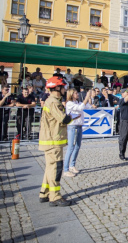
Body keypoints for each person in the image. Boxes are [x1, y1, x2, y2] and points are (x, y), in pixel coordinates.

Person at [39, 77, 73, 207]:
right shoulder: (54, 102)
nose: (65, 89)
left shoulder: (50, 101)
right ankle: (55, 196)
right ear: (57, 88)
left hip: (50, 139)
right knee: (56, 167)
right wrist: (70, 117)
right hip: (53, 141)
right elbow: (63, 119)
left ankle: (44, 192)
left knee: (50, 166)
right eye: (63, 87)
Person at [63, 88, 92, 177]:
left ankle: (72, 165)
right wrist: (87, 97)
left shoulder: (77, 102)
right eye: (75, 93)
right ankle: (66, 169)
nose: (77, 94)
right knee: (71, 147)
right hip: (72, 126)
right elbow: (80, 108)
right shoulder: (69, 103)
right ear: (71, 94)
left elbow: (87, 106)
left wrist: (89, 97)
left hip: (79, 126)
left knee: (77, 146)